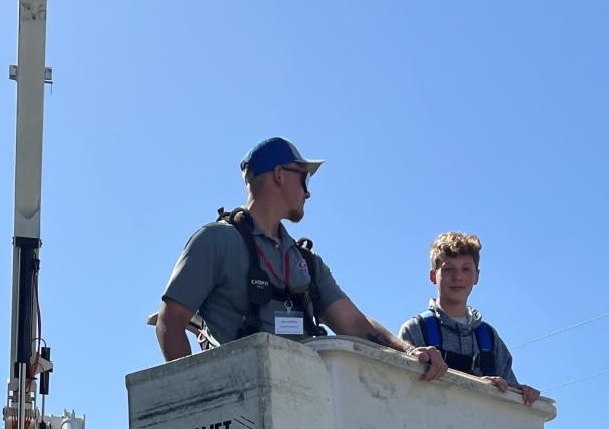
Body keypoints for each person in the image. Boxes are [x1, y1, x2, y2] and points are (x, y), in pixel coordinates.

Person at [155, 138, 447, 380]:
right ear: (279, 174)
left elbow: (356, 325)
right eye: (303, 178)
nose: (308, 192)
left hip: (303, 407)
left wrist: (408, 351)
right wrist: (198, 400)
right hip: (240, 405)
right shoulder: (216, 241)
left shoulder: (306, 261)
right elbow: (170, 322)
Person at [399, 231, 542, 404]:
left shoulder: (489, 339)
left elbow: (510, 397)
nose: (457, 277)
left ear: (476, 276)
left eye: (465, 269)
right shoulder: (416, 330)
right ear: (432, 276)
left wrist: (522, 394)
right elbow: (403, 390)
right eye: (448, 269)